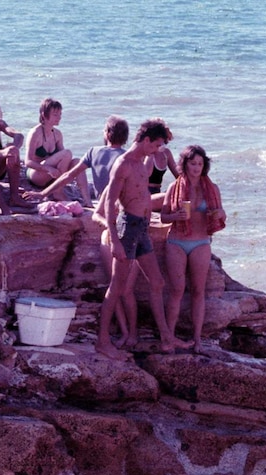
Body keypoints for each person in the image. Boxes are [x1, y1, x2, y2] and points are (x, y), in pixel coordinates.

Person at [97, 119, 189, 360]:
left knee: (157, 282)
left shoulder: (142, 164)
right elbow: (109, 204)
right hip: (127, 228)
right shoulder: (124, 164)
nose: (157, 149)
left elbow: (145, 196)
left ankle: (166, 336)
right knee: (117, 286)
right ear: (146, 140)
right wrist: (115, 240)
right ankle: (102, 341)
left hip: (142, 230)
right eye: (156, 144)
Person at [160, 145, 227, 353]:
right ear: (185, 164)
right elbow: (163, 217)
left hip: (200, 242)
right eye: (192, 163)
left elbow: (222, 214)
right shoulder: (174, 187)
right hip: (176, 241)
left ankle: (197, 339)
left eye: (200, 164)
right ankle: (169, 337)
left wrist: (220, 213)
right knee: (176, 290)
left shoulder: (212, 188)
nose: (196, 168)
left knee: (199, 291)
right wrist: (175, 217)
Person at [25, 115, 129, 206]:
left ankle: (88, 202)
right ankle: (86, 201)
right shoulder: (129, 157)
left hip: (103, 202)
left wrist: (42, 194)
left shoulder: (94, 152)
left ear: (107, 134)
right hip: (124, 204)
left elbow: (68, 175)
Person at [92, 185, 139, 348]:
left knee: (127, 290)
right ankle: (125, 332)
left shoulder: (139, 185)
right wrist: (111, 226)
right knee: (114, 287)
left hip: (132, 238)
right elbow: (96, 215)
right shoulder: (111, 188)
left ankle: (133, 332)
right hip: (110, 238)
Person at [23, 98, 89, 204]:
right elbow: (28, 162)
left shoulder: (57, 134)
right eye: (55, 114)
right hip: (37, 174)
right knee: (67, 153)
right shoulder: (35, 133)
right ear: (44, 115)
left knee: (77, 162)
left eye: (60, 114)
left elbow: (64, 159)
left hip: (52, 176)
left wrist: (72, 172)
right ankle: (58, 191)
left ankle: (87, 201)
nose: (59, 117)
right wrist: (47, 168)